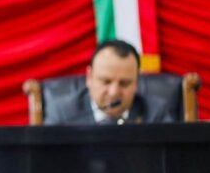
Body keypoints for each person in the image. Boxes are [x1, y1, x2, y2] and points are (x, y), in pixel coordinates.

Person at [44, 39, 176, 125]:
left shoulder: (156, 113)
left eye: (124, 83)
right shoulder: (63, 113)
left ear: (136, 82)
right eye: (106, 82)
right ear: (89, 78)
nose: (114, 92)